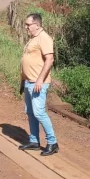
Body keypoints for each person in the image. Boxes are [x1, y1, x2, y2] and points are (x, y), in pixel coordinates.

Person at [18, 12, 59, 156]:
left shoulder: (44, 38)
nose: (26, 27)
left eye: (28, 25)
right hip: (29, 82)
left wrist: (40, 79)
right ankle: (34, 140)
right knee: (30, 112)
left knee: (39, 112)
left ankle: (52, 142)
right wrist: (23, 80)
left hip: (38, 83)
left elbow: (50, 60)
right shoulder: (33, 38)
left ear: (36, 24)